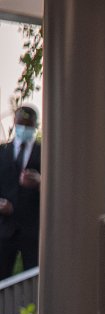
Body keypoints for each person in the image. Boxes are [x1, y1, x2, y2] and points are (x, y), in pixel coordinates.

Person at [0, 105, 42, 275]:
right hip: (5, 229)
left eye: (28, 125)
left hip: (33, 229)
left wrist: (40, 182)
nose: (23, 129)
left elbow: (58, 188)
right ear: (14, 123)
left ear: (35, 126)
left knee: (33, 277)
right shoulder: (3, 153)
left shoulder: (44, 153)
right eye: (20, 124)